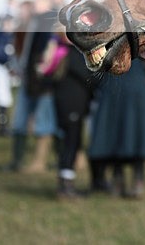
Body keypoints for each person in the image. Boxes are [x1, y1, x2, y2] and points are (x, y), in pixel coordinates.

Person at [4, 0, 59, 173]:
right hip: (33, 77)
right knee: (26, 120)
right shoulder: (34, 23)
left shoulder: (49, 23)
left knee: (43, 121)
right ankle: (19, 160)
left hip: (44, 80)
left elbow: (49, 52)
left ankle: (39, 162)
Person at [88, 57, 145, 199]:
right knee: (114, 132)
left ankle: (138, 179)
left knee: (136, 133)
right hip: (113, 85)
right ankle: (118, 177)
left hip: (135, 84)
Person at [50, 29, 98, 199]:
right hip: (72, 105)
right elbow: (87, 77)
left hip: (68, 104)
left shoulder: (59, 52)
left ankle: (66, 180)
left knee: (71, 141)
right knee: (71, 142)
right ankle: (65, 184)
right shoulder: (72, 54)